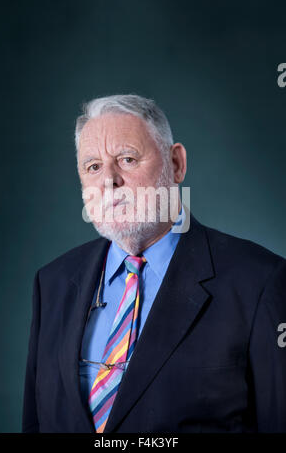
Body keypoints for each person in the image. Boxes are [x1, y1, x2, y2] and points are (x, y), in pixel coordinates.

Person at [22, 94, 286, 433]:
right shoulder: (52, 284)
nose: (109, 180)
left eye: (127, 159)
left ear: (176, 163)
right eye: (93, 167)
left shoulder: (259, 283)